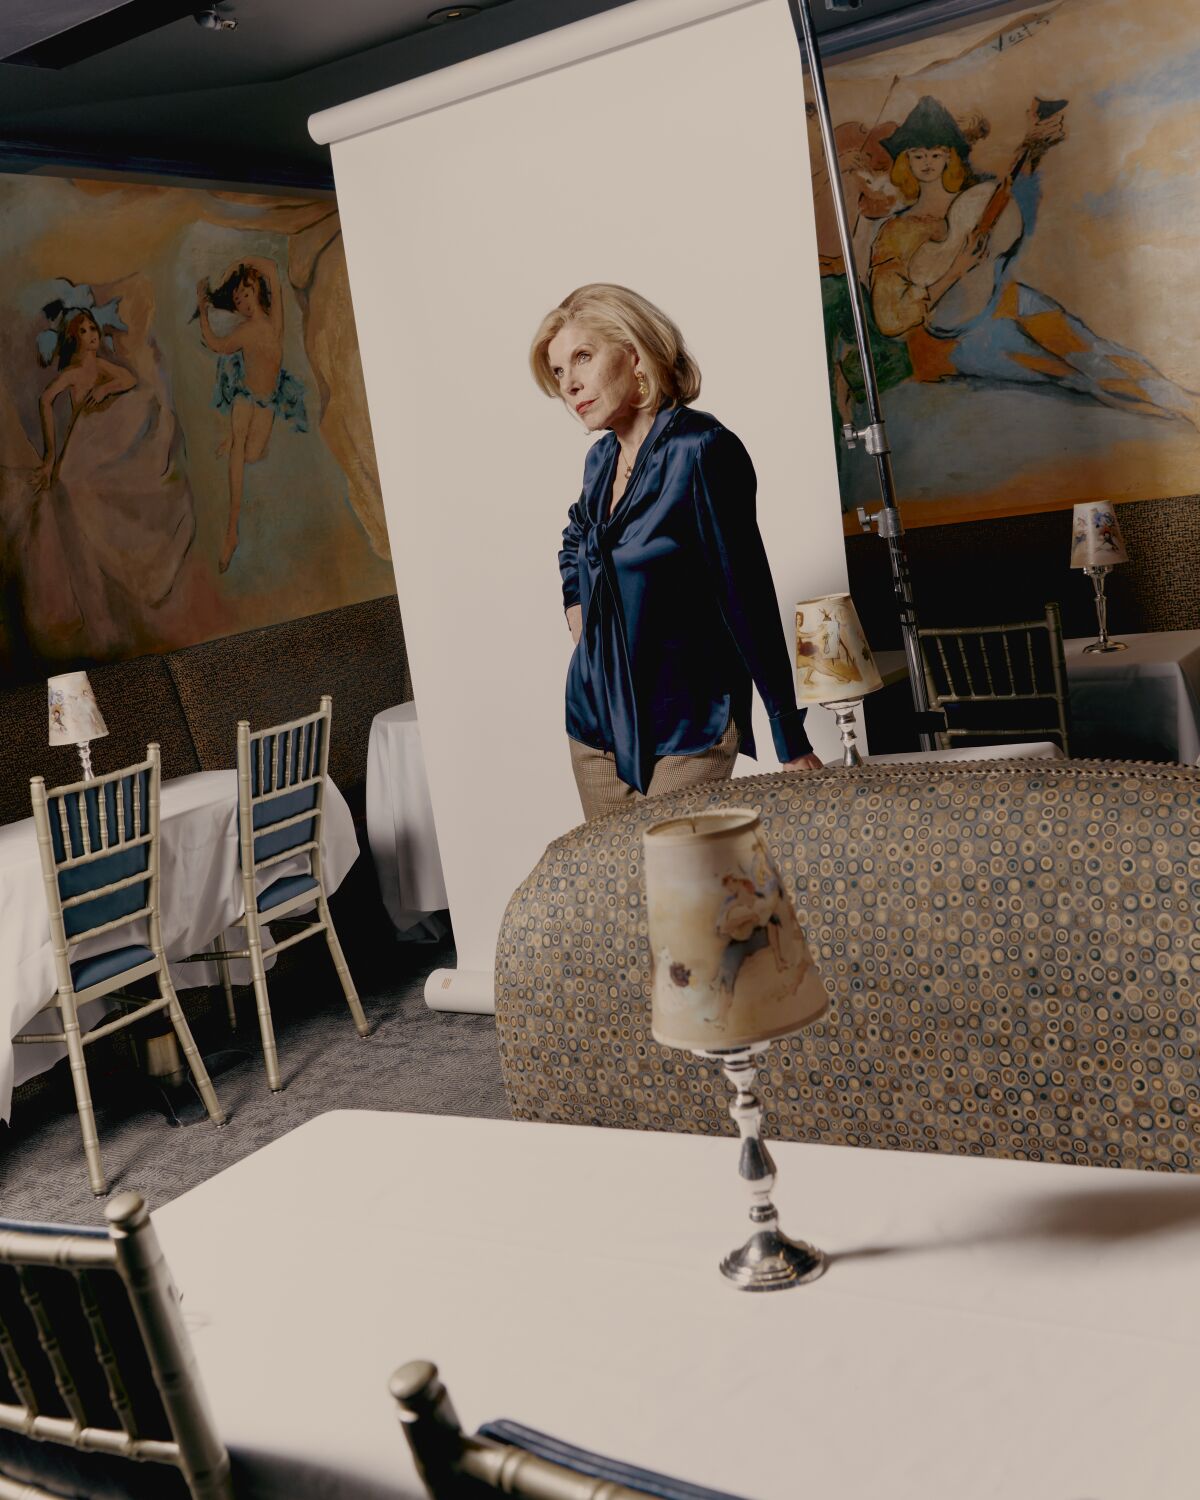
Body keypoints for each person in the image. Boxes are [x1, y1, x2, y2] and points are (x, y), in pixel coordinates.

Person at [529, 284, 821, 823]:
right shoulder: (600, 462)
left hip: (691, 723)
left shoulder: (702, 451)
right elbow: (577, 538)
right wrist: (576, 610)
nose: (569, 384)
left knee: (676, 889)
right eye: (558, 371)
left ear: (635, 354)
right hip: (596, 721)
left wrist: (788, 732)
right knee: (616, 894)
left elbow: (747, 593)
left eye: (583, 357)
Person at [868, 95, 1200, 425]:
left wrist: (1033, 147)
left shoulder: (977, 198)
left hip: (1007, 297)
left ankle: (1185, 403)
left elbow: (1010, 222)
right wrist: (955, 269)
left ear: (950, 158)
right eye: (917, 155)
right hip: (960, 337)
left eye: (936, 154)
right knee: (1067, 374)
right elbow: (890, 320)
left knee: (1093, 351)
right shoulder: (896, 232)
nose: (927, 162)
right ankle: (1171, 412)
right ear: (905, 162)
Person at [196, 256, 308, 572]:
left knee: (253, 454)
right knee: (239, 449)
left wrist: (235, 265)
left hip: (269, 400)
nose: (243, 302)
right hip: (246, 396)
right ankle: (232, 531)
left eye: (245, 293)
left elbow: (272, 268)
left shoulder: (275, 322)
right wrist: (203, 311)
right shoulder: (244, 332)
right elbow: (216, 344)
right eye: (237, 300)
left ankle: (233, 437)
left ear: (257, 289)